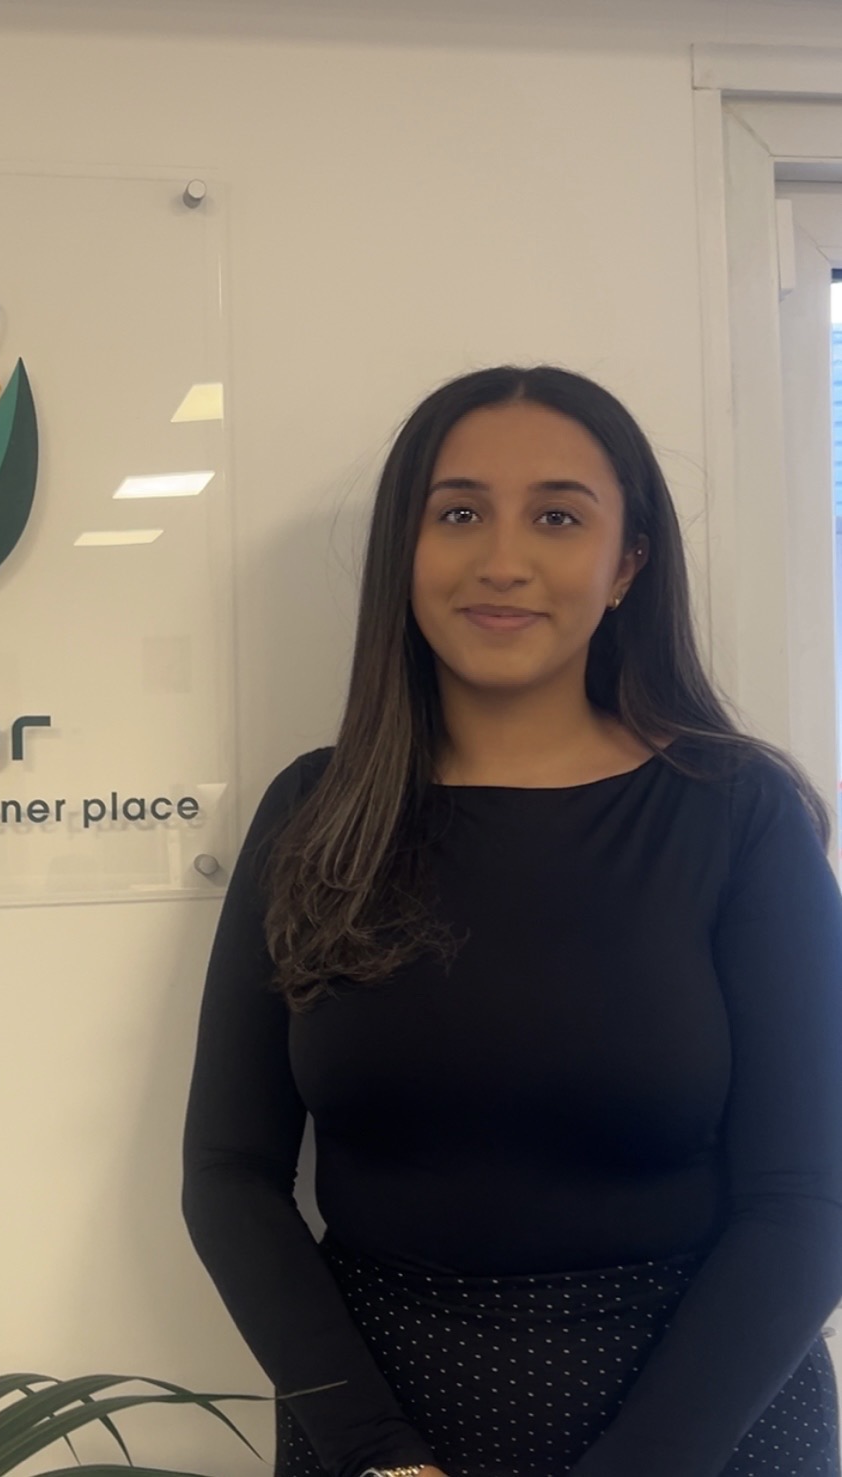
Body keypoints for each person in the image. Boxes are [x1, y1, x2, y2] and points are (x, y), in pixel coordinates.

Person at [179, 364, 842, 1477]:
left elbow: (808, 1197)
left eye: (558, 516)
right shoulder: (314, 814)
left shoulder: (738, 815)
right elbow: (228, 1172)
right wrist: (376, 1453)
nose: (502, 558)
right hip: (379, 1425)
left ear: (627, 562)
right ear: (407, 549)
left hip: (701, 1420)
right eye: (459, 512)